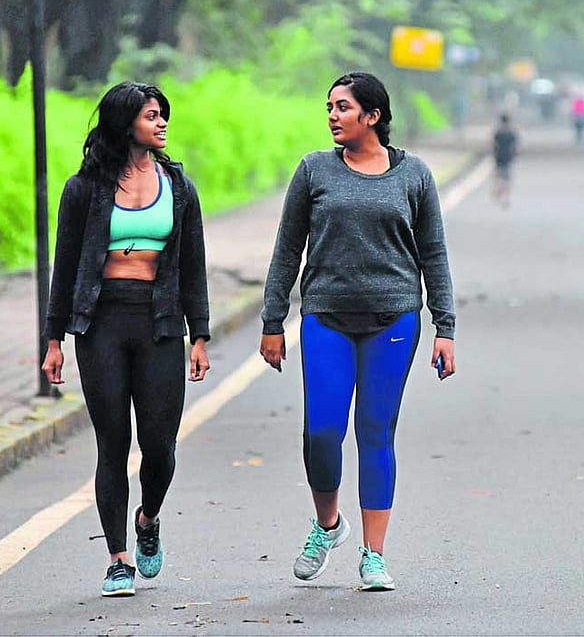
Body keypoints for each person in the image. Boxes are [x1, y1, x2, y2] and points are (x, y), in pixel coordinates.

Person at [259, 71, 456, 592]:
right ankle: (328, 524)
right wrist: (272, 320)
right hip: (325, 315)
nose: (332, 116)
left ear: (372, 116)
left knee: (375, 432)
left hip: (394, 318)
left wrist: (445, 326)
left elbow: (433, 253)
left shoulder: (413, 175)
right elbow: (287, 249)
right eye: (329, 107)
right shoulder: (314, 170)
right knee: (322, 431)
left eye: (342, 107)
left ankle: (374, 555)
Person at [41, 81, 211, 597]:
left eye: (163, 115)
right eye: (151, 116)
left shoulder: (179, 187)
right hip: (101, 324)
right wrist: (54, 339)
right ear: (125, 123)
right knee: (112, 442)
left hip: (161, 322)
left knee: (159, 447)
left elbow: (193, 265)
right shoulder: (84, 188)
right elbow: (65, 265)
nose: (161, 123)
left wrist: (200, 334)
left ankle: (148, 517)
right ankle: (118, 559)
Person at [492, 113, 518, 207]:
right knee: (507, 179)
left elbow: (492, 145)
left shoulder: (498, 133)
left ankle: (499, 190)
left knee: (499, 177)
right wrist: (515, 155)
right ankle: (506, 198)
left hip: (499, 158)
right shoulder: (511, 133)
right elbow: (516, 146)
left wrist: (494, 154)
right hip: (508, 158)